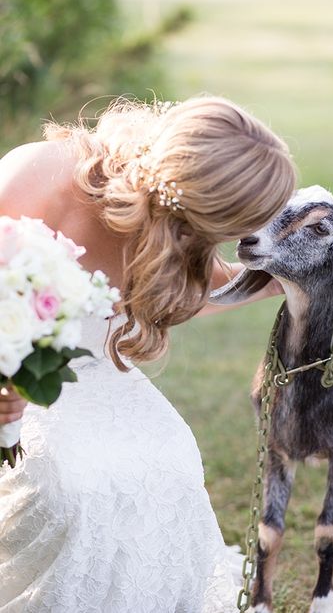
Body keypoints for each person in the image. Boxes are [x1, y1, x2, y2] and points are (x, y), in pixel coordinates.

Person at [0, 96, 296, 612]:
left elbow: (181, 292)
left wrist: (271, 282)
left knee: (171, 460)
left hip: (92, 375)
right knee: (72, 483)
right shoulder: (43, 172)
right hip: (26, 375)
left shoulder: (173, 239)